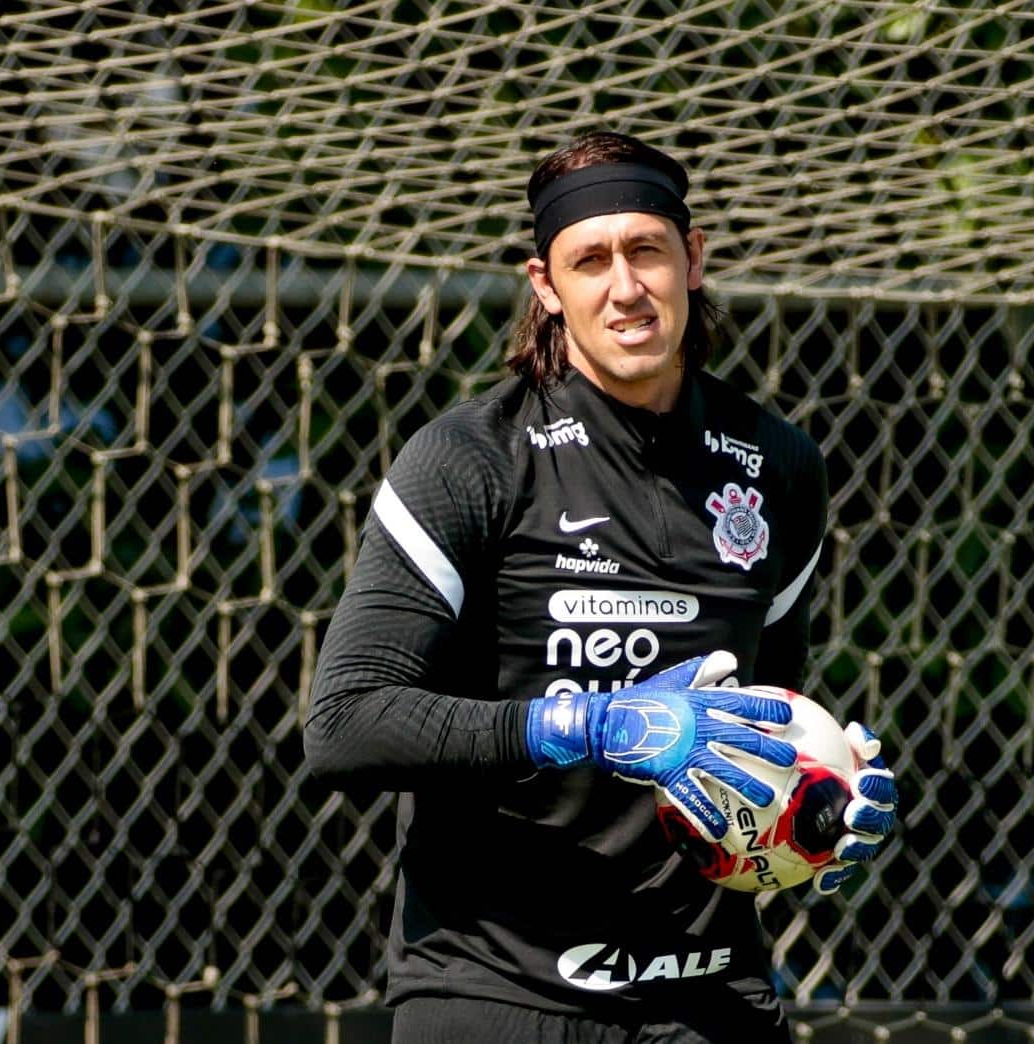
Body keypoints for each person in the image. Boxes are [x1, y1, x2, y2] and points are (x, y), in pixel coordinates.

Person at [303, 131, 898, 1043]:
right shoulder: (469, 460)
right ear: (546, 285)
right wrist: (582, 726)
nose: (625, 288)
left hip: (707, 996)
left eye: (646, 250)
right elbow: (345, 724)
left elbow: (762, 720)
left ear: (691, 260)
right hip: (496, 993)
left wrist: (818, 812)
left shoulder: (778, 466)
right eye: (591, 261)